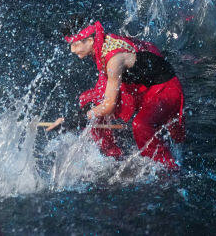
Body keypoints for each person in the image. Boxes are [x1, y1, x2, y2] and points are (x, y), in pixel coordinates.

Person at [61, 16, 185, 170]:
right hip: (141, 85)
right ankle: (111, 155)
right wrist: (82, 114)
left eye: (75, 44)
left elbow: (108, 106)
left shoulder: (114, 60)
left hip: (165, 88)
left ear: (90, 41)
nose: (72, 50)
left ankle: (166, 168)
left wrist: (78, 118)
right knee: (89, 101)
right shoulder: (102, 43)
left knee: (141, 125)